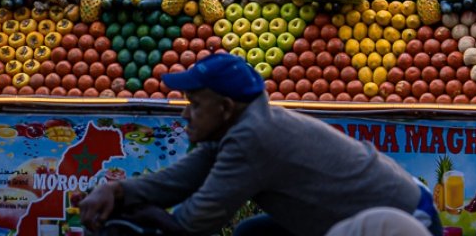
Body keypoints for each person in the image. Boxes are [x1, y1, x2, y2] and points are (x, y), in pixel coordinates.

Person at [77, 53, 441, 236]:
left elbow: (193, 223)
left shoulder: (252, 138)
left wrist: (133, 217)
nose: (187, 115)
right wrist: (119, 192)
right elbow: (176, 182)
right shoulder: (240, 126)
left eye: (196, 104)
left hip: (402, 224)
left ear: (224, 108)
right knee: (253, 232)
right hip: (367, 214)